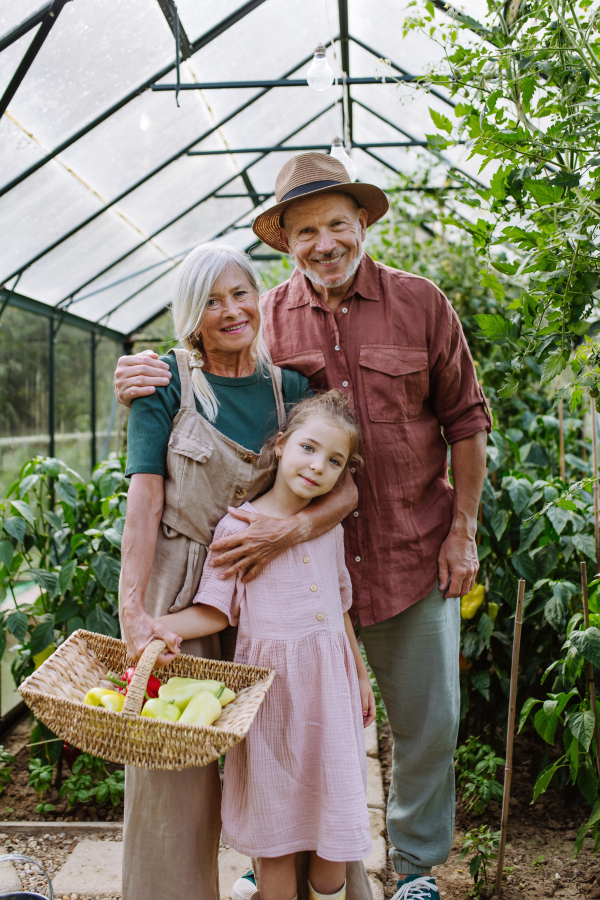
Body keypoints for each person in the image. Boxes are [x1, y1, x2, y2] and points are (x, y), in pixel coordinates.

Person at [114, 152, 491, 900]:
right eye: (306, 231)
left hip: (409, 554)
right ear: (285, 243)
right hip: (282, 583)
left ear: (363, 224)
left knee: (429, 724)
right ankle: (276, 855)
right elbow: (208, 371)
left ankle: (414, 870)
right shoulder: (268, 323)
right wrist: (143, 371)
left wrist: (464, 532)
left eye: (338, 224)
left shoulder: (422, 304)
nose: (325, 242)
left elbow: (467, 421)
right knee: (286, 726)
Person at [118, 241, 373, 900]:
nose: (230, 311)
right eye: (211, 300)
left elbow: (345, 489)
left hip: (274, 585)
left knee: (291, 758)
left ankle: (293, 878)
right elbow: (144, 499)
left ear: (259, 298)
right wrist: (137, 617)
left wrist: (288, 531)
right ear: (190, 315)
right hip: (186, 588)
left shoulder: (289, 390)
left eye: (240, 293)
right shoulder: (166, 382)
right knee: (175, 777)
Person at [156, 390, 375, 900]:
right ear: (280, 445)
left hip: (330, 693)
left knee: (331, 872)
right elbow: (214, 608)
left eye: (334, 460)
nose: (318, 466)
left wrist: (360, 675)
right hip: (273, 701)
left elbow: (339, 607)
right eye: (308, 448)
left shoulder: (327, 526)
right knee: (276, 845)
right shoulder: (238, 527)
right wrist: (159, 624)